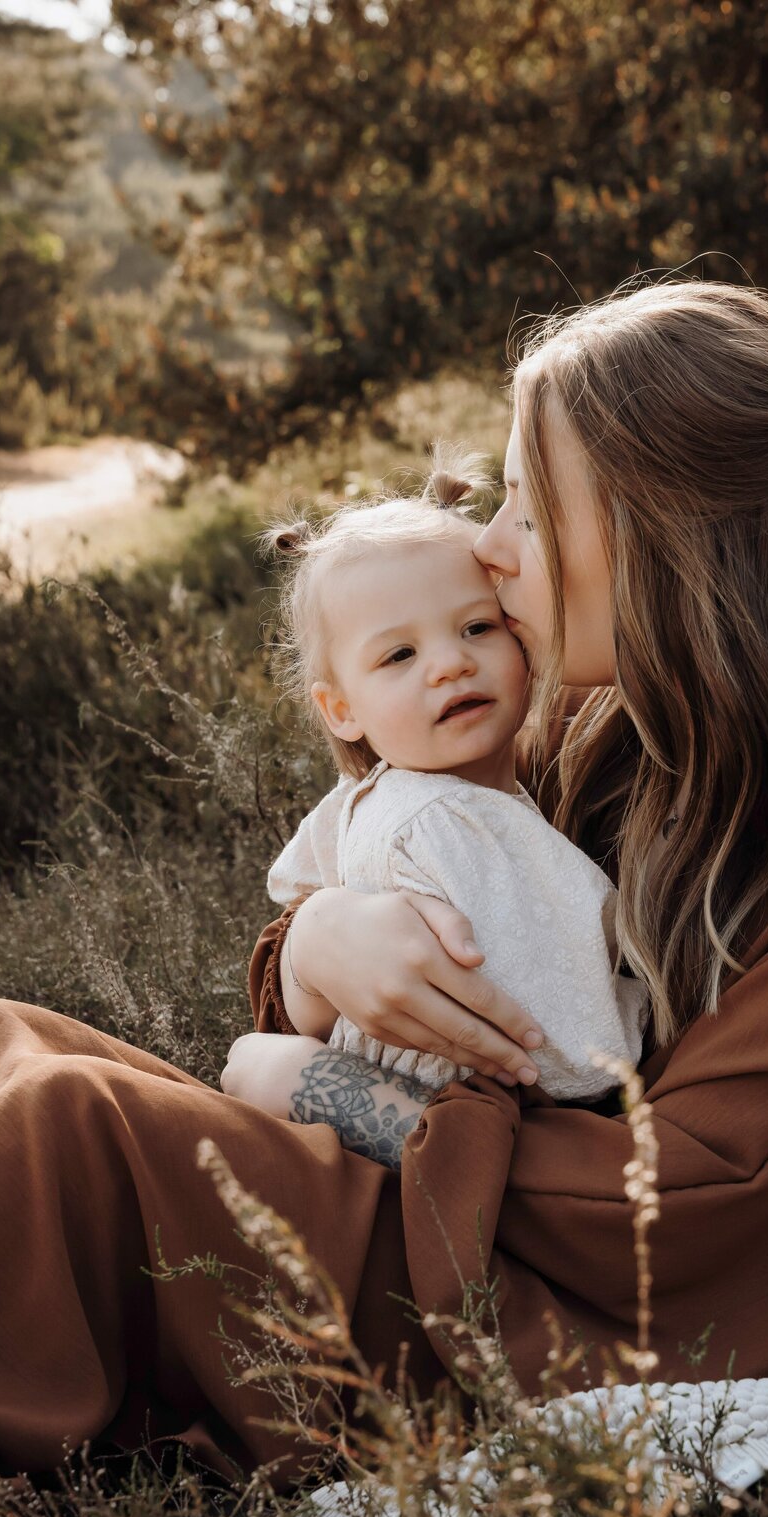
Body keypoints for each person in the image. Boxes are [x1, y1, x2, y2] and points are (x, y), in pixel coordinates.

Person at [0, 277, 768, 1501]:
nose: (492, 544)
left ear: (665, 528)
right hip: (449, 1209)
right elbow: (436, 901)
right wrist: (309, 953)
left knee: (59, 1132)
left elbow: (700, 1207)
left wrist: (330, 1091)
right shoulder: (601, 723)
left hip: (544, 1314)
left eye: (530, 501)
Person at [231, 447, 648, 1148]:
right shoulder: (450, 821)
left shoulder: (365, 798)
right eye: (399, 655)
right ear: (340, 710)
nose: (450, 663)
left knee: (255, 1065)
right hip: (483, 1121)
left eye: (477, 627)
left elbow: (297, 885)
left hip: (419, 1112)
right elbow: (580, 1047)